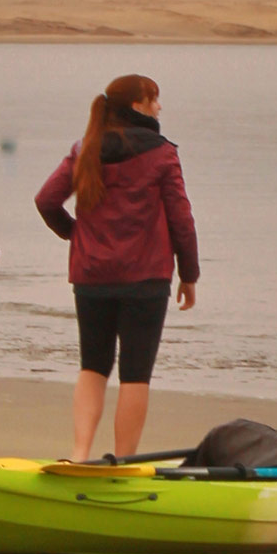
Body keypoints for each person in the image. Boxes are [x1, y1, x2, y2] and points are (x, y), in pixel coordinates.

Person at [35, 74, 199, 462]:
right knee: (135, 373)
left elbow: (46, 200)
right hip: (146, 278)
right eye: (155, 100)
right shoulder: (161, 153)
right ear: (138, 106)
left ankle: (78, 454)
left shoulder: (85, 147)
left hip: (91, 276)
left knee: (93, 366)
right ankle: (123, 460)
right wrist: (189, 274)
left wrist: (76, 236)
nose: (160, 107)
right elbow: (181, 218)